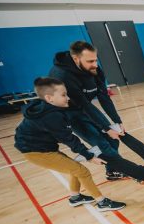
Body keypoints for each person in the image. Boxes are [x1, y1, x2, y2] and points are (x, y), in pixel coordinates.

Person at [14, 77, 125, 211]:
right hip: (36, 152)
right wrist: (89, 156)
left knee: (74, 168)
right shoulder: (51, 116)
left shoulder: (46, 108)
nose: (67, 98)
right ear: (49, 98)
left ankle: (75, 197)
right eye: (63, 95)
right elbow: (69, 139)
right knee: (82, 171)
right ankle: (102, 202)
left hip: (42, 148)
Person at [49, 40, 127, 180]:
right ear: (76, 59)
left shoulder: (94, 69)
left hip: (86, 106)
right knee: (102, 144)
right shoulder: (62, 76)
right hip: (69, 113)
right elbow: (83, 104)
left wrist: (117, 120)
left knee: (113, 140)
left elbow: (103, 96)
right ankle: (126, 169)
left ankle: (112, 170)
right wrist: (106, 128)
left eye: (95, 60)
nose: (95, 64)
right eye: (90, 61)